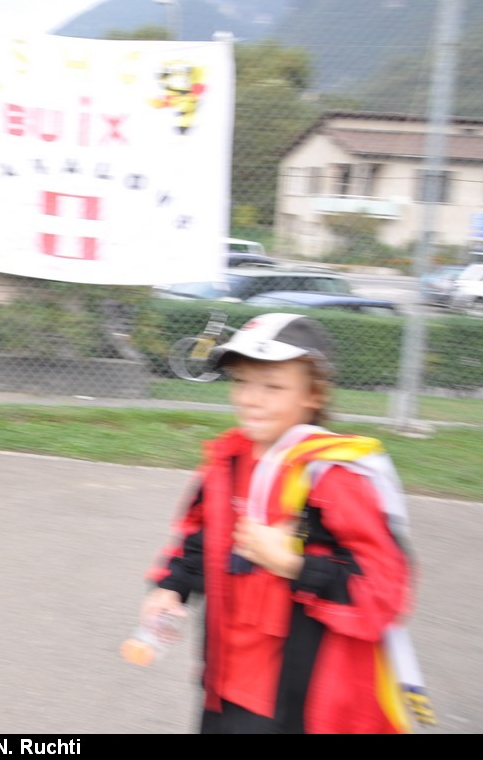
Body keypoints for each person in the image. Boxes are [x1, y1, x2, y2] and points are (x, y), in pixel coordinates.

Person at [136, 312, 435, 733]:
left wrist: (293, 564)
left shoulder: (334, 477)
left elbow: (384, 591)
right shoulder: (228, 461)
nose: (250, 399)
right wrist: (172, 588)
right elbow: (200, 539)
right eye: (241, 381)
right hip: (222, 684)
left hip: (295, 704)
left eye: (272, 387)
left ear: (314, 394)